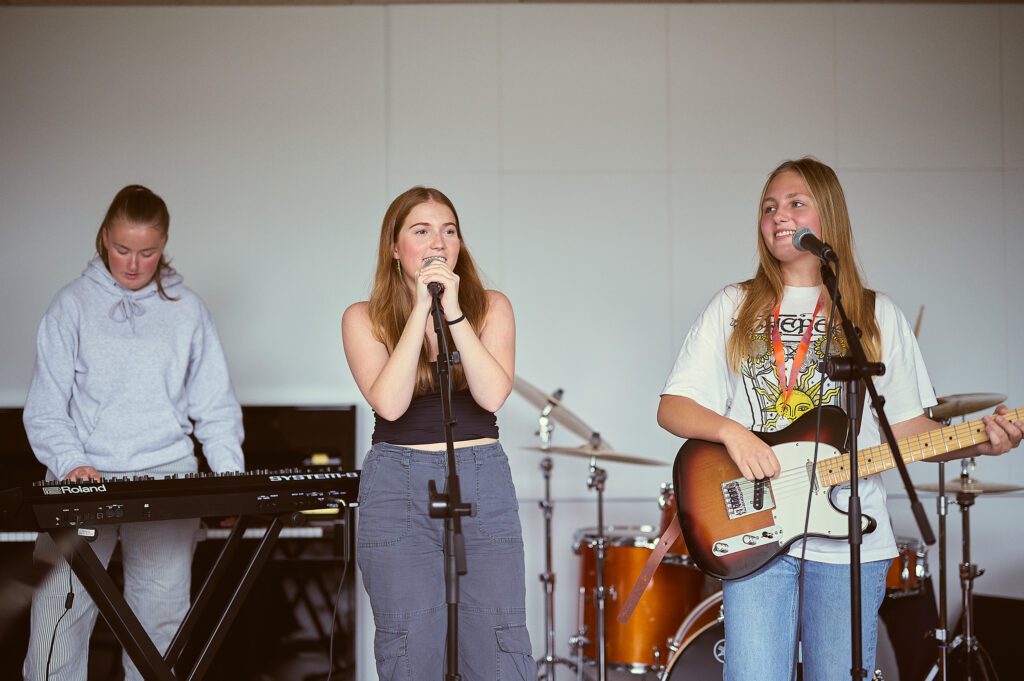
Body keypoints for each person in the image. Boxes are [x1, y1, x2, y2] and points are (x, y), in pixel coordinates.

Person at [657, 157, 1022, 681]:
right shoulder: (734, 305)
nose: (779, 216)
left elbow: (906, 432)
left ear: (828, 217)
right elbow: (674, 406)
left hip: (851, 538)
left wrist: (979, 442)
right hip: (757, 533)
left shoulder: (874, 314)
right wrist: (732, 434)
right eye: (769, 207)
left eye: (796, 203)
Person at [22, 185, 244, 681]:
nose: (133, 264)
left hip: (167, 478)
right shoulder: (71, 305)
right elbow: (44, 409)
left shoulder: (188, 309)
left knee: (160, 627)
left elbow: (215, 406)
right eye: (122, 249)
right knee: (56, 624)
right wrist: (69, 463)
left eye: (147, 252)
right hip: (84, 478)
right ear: (104, 238)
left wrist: (232, 480)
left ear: (164, 245)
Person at [342, 186, 536, 680]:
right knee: (408, 646)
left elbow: (493, 396)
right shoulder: (362, 318)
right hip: (396, 486)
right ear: (394, 246)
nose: (438, 241)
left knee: (499, 641)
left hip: (480, 476)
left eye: (449, 231)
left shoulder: (491, 306)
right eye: (421, 230)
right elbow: (389, 402)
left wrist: (451, 311)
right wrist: (418, 314)